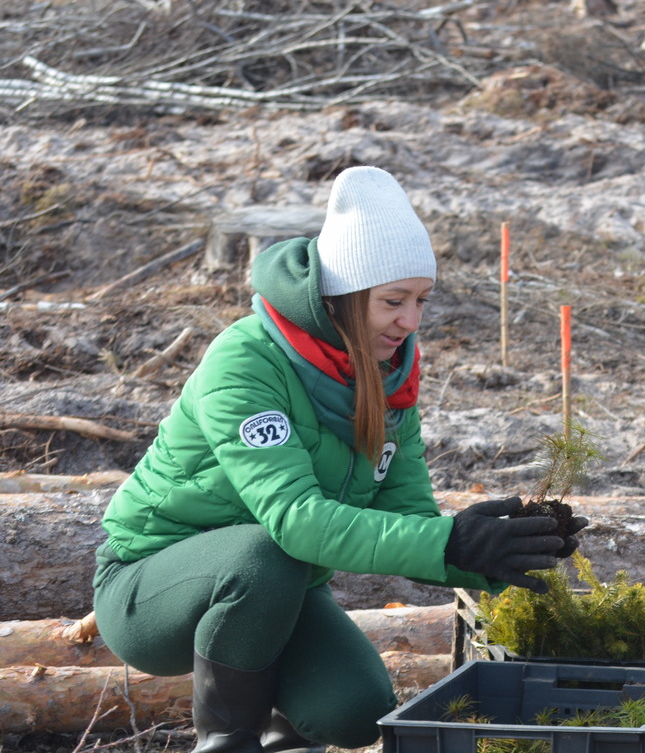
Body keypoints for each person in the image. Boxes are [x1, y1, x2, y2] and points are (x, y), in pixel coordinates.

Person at [94, 166, 585, 753]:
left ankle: (283, 743)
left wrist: (486, 549)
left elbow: (409, 513)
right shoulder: (247, 362)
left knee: (355, 710)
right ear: (342, 297)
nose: (411, 321)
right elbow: (296, 521)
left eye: (421, 300)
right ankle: (225, 742)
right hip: (152, 587)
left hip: (280, 589)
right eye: (393, 301)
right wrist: (447, 541)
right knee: (262, 553)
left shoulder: (389, 377)